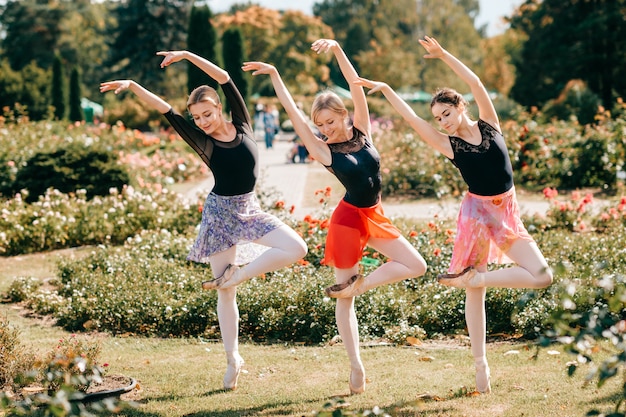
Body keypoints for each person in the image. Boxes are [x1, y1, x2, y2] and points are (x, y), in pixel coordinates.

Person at [354, 36, 553, 394]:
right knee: (472, 294)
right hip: (477, 216)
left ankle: (476, 278)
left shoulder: (490, 124)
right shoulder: (450, 145)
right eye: (438, 118)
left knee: (541, 275)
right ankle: (481, 368)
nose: (442, 121)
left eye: (446, 113)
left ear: (460, 106)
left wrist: (444, 54)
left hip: (507, 212)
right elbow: (414, 120)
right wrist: (385, 89)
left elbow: (476, 83)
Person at [100, 50, 307, 392]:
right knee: (226, 295)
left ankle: (237, 275)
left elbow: (224, 77)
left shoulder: (242, 123)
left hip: (250, 209)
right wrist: (134, 85)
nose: (203, 121)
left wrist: (186, 56)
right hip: (219, 216)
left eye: (207, 114)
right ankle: (232, 359)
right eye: (196, 117)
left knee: (295, 247)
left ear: (220, 108)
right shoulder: (202, 140)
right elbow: (165, 109)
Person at [242, 39, 427, 395]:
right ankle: (356, 367)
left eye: (329, 120)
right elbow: (293, 114)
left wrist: (340, 49)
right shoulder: (324, 150)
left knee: (415, 264)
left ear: (343, 115)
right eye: (320, 124)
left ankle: (360, 283)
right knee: (345, 299)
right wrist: (277, 76)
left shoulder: (363, 130)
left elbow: (356, 85)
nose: (325, 128)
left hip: (374, 216)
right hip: (347, 222)